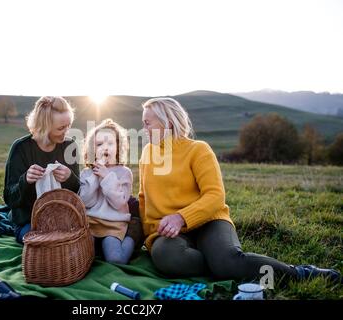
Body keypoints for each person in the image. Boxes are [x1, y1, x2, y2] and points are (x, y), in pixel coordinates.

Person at [138, 97, 341, 284]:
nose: (143, 128)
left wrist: (181, 217)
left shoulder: (198, 150)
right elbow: (144, 197)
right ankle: (219, 264)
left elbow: (215, 196)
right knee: (167, 258)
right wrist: (149, 236)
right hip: (171, 232)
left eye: (148, 122)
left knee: (227, 262)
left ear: (168, 123)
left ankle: (300, 273)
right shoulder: (147, 153)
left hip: (209, 221)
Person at [3, 96, 80, 243]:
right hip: (28, 220)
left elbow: (78, 193)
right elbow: (9, 198)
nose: (66, 132)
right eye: (60, 128)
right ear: (44, 126)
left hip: (62, 218)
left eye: (68, 126)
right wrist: (25, 180)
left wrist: (70, 177)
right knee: (44, 241)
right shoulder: (20, 148)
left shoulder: (70, 146)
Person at [79, 119, 142, 264]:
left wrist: (107, 177)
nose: (105, 148)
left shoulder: (124, 172)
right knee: (82, 258)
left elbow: (119, 203)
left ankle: (133, 236)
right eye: (99, 144)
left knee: (116, 260)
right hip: (91, 223)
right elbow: (86, 202)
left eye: (110, 143)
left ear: (118, 147)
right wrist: (95, 177)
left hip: (114, 224)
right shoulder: (86, 173)